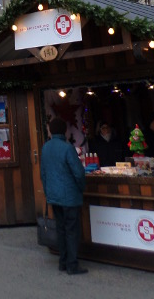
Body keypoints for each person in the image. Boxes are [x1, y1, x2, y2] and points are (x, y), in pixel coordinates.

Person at [40, 116, 87, 275]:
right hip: (69, 196)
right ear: (64, 131)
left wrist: (47, 192)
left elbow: (43, 173)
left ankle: (63, 261)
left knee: (61, 228)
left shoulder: (45, 148)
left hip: (54, 195)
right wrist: (81, 188)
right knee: (71, 230)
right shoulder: (67, 148)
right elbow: (78, 172)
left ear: (51, 131)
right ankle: (72, 264)